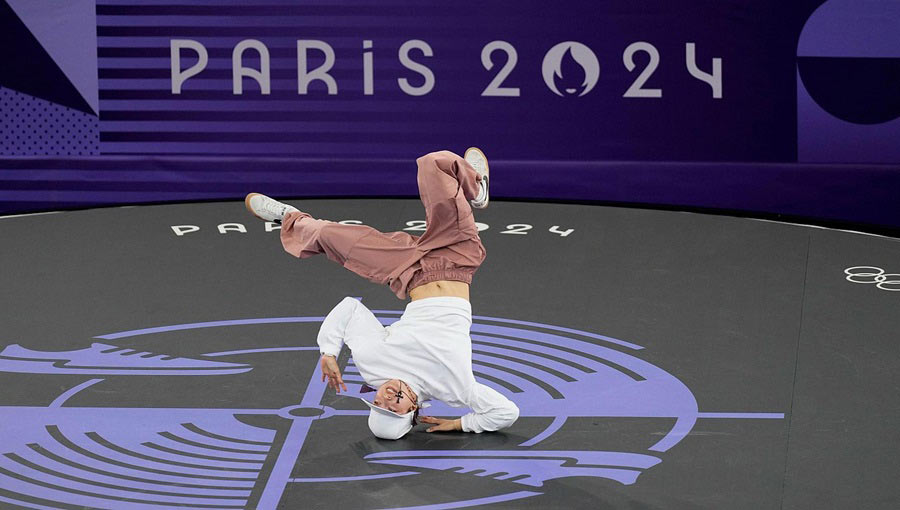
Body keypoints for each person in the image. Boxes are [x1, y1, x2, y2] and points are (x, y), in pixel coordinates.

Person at [245, 148, 519, 440]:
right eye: (393, 408)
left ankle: (290, 218)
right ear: (413, 410)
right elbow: (506, 412)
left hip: (407, 269)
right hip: (456, 258)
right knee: (435, 163)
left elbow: (350, 309)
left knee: (331, 237)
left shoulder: (373, 368)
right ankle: (477, 190)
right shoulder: (454, 389)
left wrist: (328, 351)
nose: (386, 398)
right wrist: (463, 424)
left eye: (377, 403)